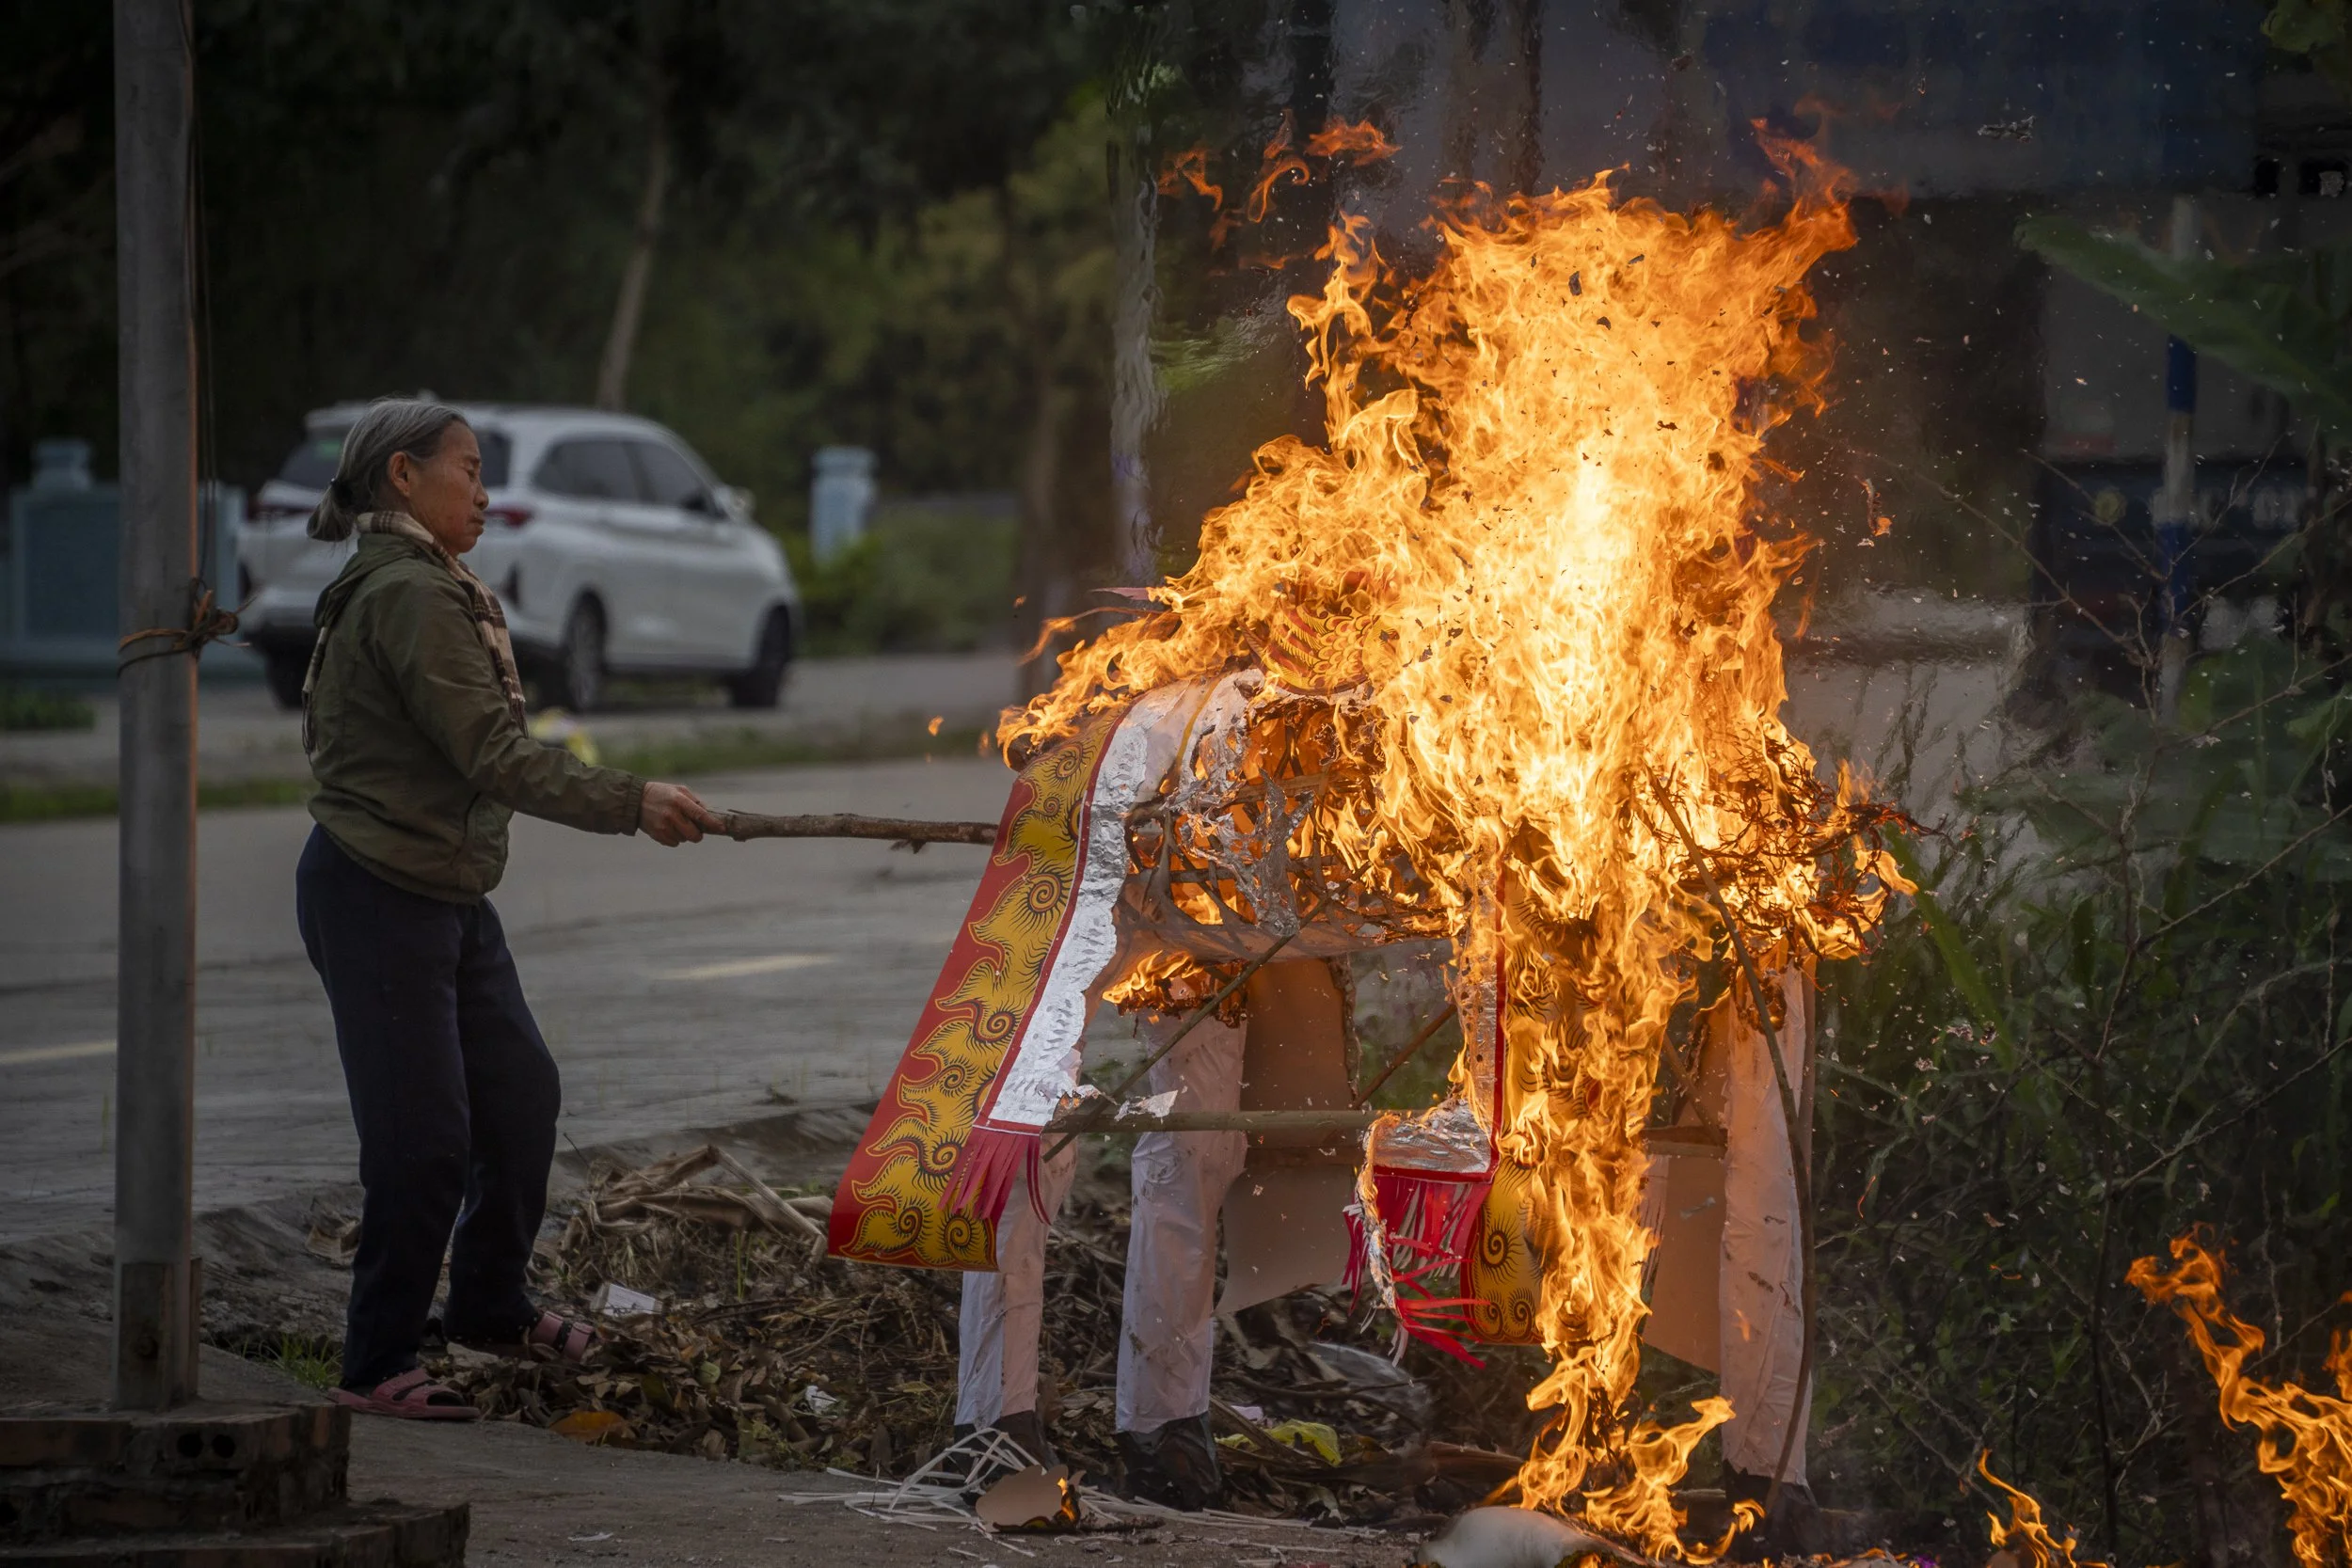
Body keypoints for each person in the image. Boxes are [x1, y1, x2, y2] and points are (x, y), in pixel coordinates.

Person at [294, 398, 724, 1419]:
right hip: (377, 890)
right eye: (469, 469)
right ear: (404, 476)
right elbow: (491, 752)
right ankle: (375, 1359)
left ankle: (488, 1302)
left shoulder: (433, 582)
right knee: (422, 1137)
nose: (485, 492)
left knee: (519, 1095)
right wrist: (632, 801)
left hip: (443, 892)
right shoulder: (406, 593)